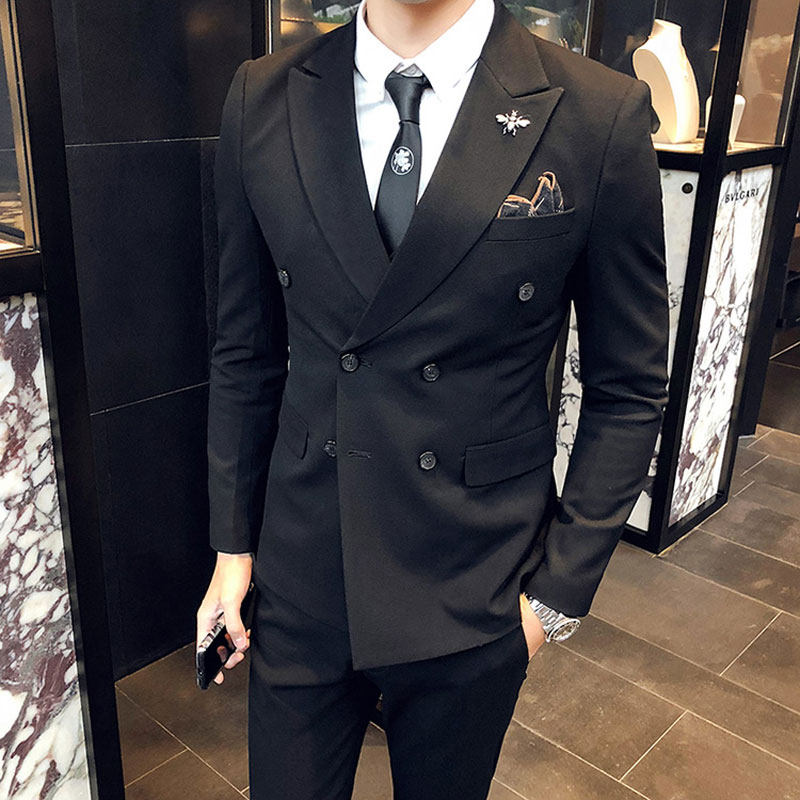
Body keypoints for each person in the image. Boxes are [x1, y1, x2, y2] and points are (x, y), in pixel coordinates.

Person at [196, 0, 669, 796]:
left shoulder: (596, 112)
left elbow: (629, 385)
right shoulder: (263, 95)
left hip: (475, 583)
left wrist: (555, 598)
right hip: (304, 569)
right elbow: (246, 353)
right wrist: (232, 548)